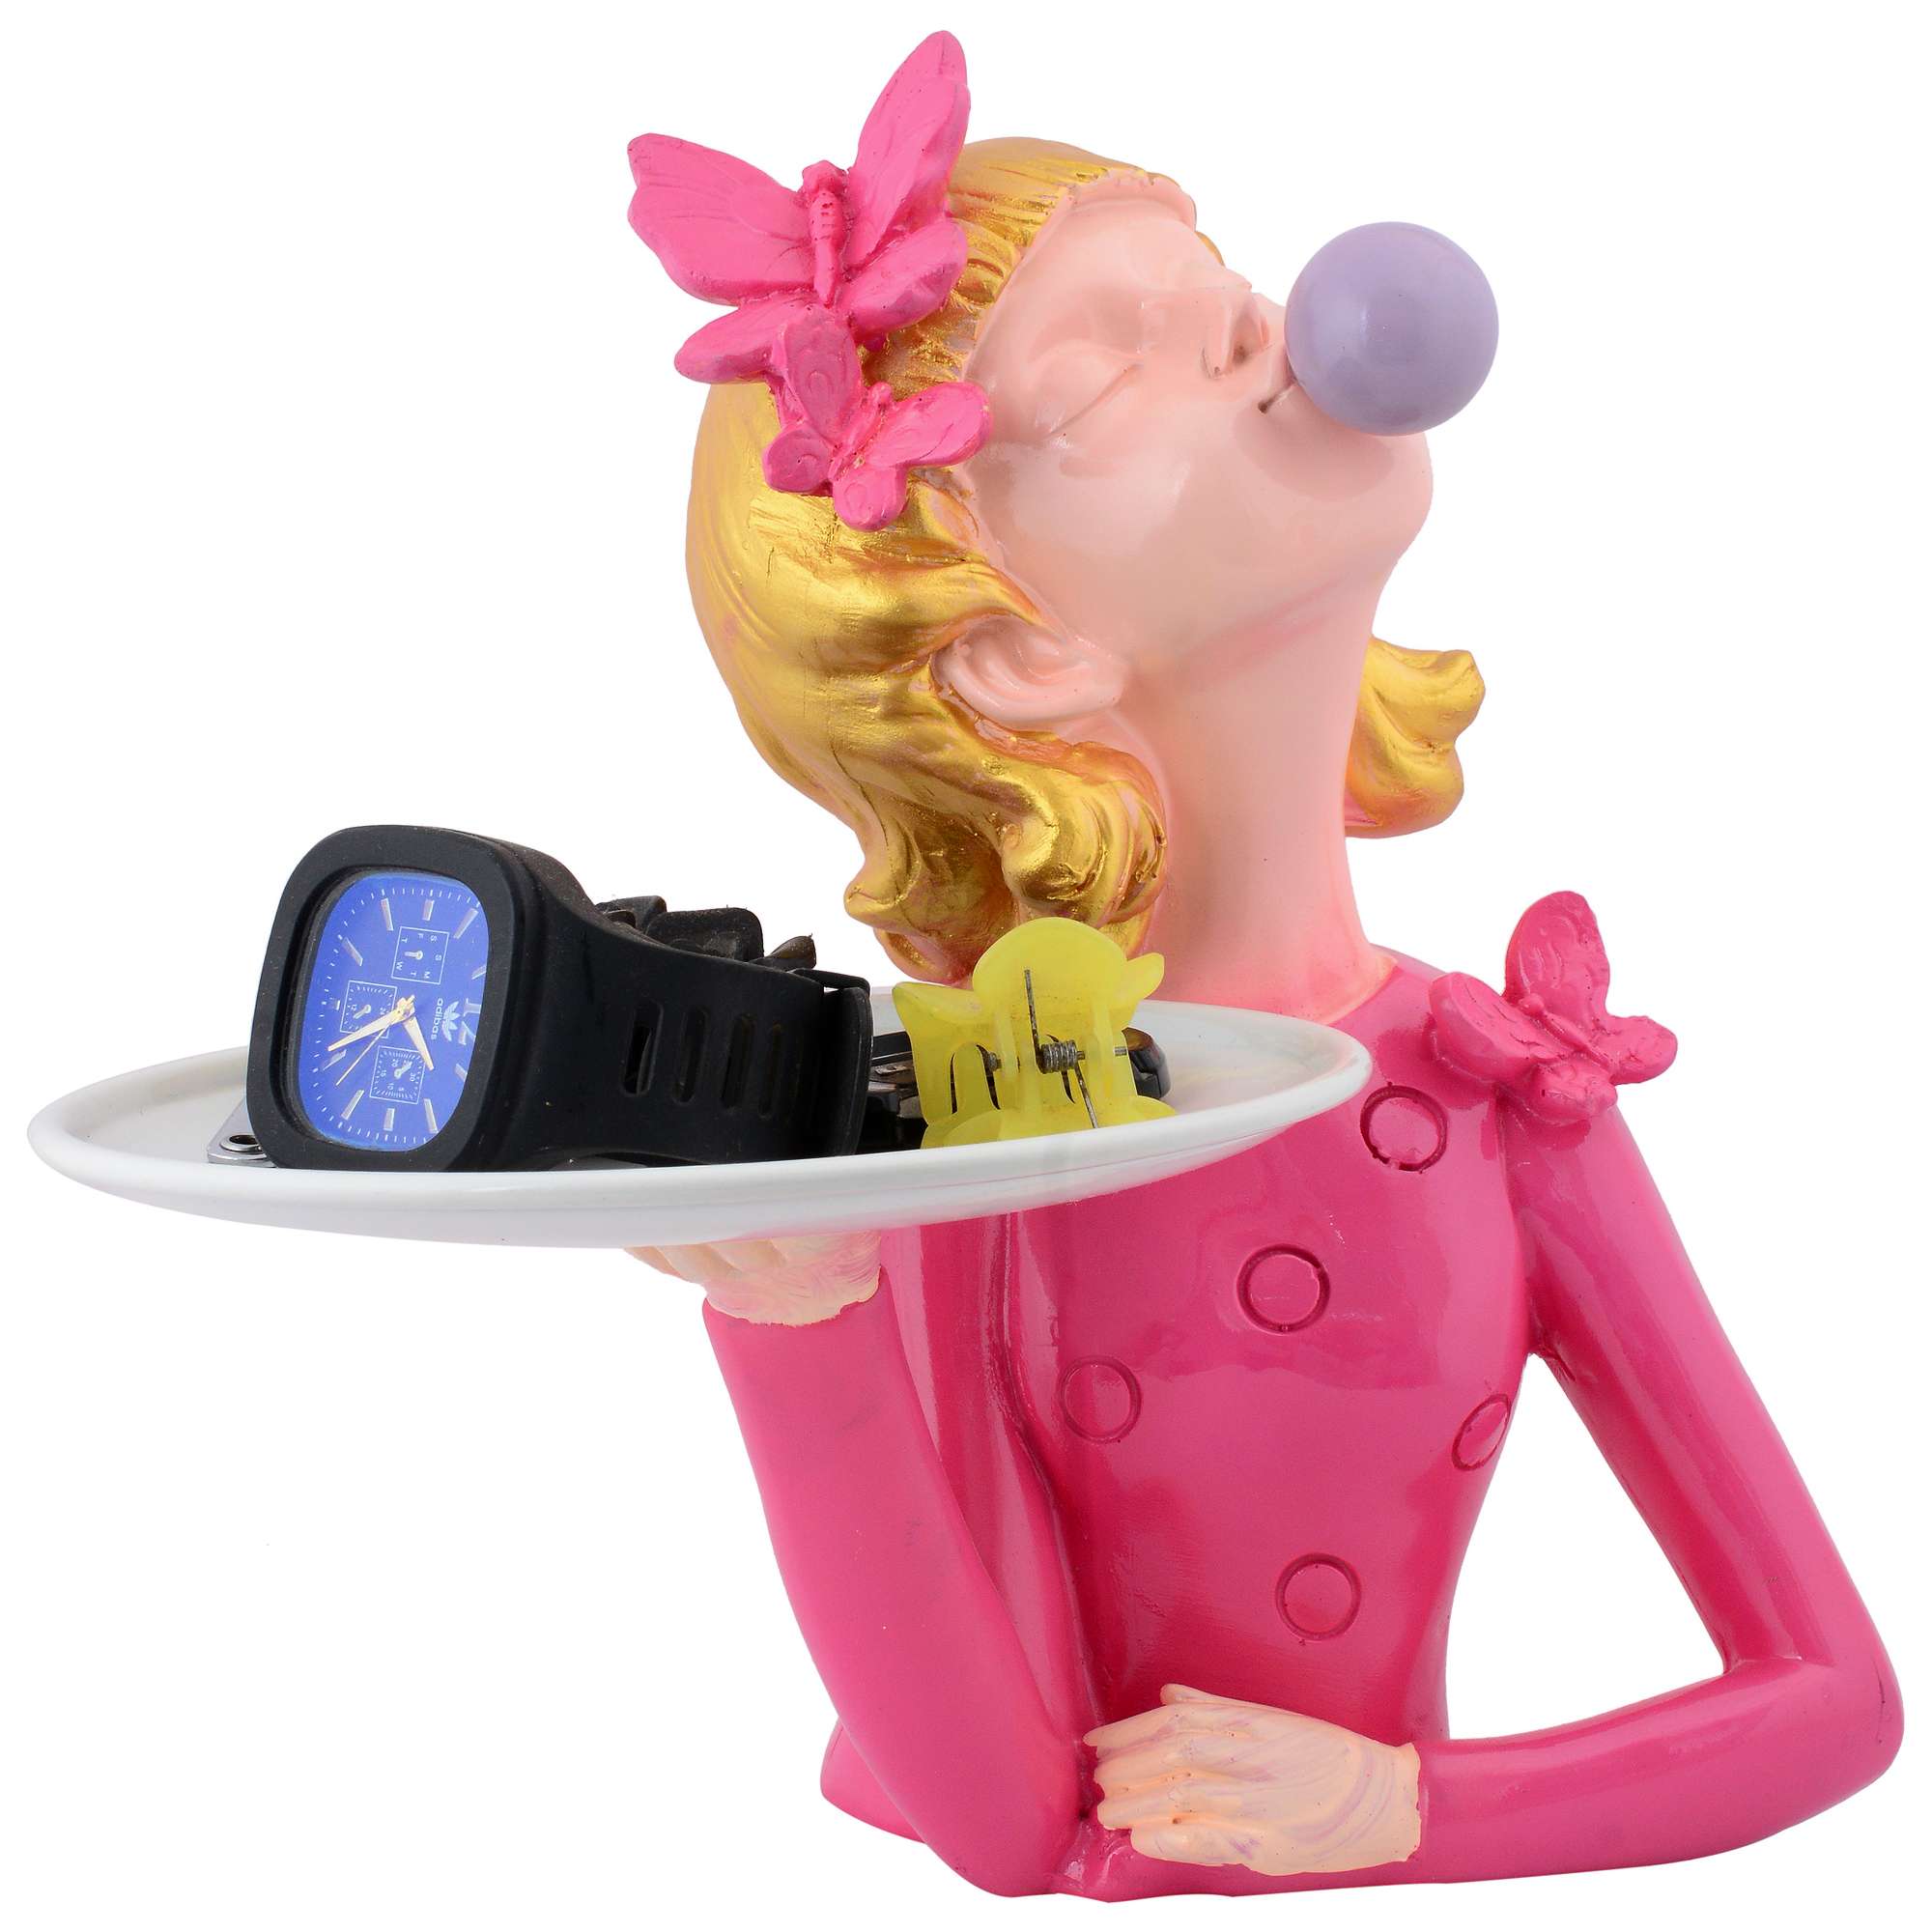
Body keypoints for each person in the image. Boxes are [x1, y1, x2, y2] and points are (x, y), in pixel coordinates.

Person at [633, 135, 1900, 1899]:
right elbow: (1013, 1827)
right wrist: (797, 1320)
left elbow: (1835, 1703)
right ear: (1016, 655)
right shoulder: (981, 1104)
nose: (1261, 321)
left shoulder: (1501, 1081)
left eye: (1218, 282)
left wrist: (1407, 1811)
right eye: (1108, 366)